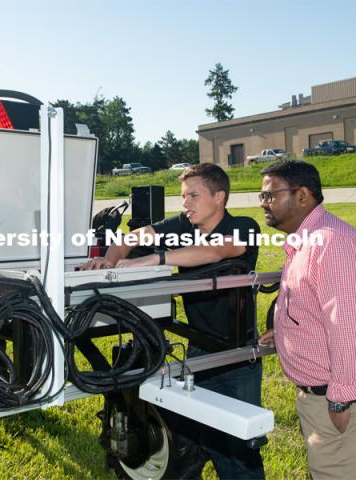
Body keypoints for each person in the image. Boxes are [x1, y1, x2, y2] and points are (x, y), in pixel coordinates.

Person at [83, 163, 265, 479]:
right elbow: (134, 236)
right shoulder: (183, 224)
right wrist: (109, 261)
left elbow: (215, 252)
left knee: (240, 449)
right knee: (187, 437)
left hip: (238, 356)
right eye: (183, 196)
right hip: (199, 351)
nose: (185, 204)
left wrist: (157, 257)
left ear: (219, 197)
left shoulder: (243, 226)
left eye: (193, 195)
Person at [258, 160, 356, 480]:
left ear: (302, 196)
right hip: (320, 396)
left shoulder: (330, 242)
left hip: (334, 398)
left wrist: (341, 401)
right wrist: (286, 334)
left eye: (270, 196)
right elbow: (314, 306)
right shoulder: (307, 239)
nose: (264, 203)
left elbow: (347, 326)